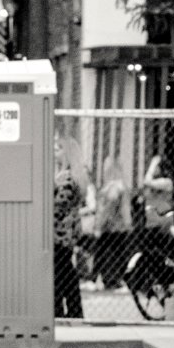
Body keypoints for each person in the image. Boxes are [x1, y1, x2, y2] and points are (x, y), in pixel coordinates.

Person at [53, 136, 85, 318]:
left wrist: (52, 186)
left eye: (58, 148)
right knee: (65, 272)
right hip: (65, 234)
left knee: (60, 273)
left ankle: (64, 311)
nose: (53, 150)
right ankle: (73, 311)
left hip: (59, 234)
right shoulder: (71, 176)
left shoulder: (66, 180)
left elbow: (57, 206)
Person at [93, 156, 133, 289]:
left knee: (103, 253)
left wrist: (98, 226)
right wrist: (128, 224)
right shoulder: (122, 186)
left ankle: (102, 279)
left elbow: (106, 209)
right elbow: (125, 209)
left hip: (109, 227)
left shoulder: (111, 187)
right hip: (118, 227)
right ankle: (115, 280)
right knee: (118, 254)